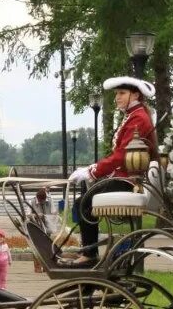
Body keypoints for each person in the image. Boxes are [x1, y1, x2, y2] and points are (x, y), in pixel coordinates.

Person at [62, 76, 158, 266]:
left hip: (130, 181)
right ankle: (88, 251)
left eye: (122, 93)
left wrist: (92, 171)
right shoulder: (134, 115)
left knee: (83, 204)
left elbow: (122, 156)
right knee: (84, 202)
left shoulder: (138, 117)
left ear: (135, 94)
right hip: (125, 178)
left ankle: (89, 255)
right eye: (116, 94)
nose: (117, 98)